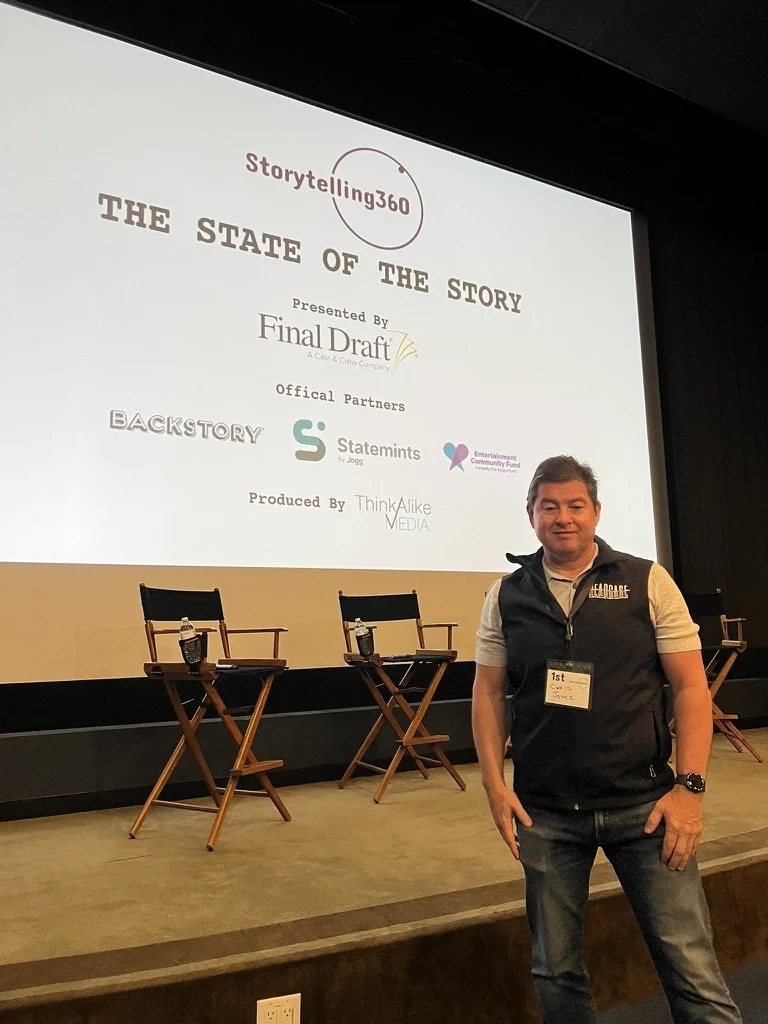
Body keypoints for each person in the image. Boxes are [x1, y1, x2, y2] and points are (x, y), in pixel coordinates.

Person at [472, 455, 742, 1024]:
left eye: (575, 506)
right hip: (544, 816)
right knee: (555, 970)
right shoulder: (506, 595)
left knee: (690, 967)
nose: (562, 518)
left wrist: (690, 790)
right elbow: (488, 693)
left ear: (596, 513)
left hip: (645, 809)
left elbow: (692, 688)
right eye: (549, 507)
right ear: (531, 516)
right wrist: (495, 786)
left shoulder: (646, 579)